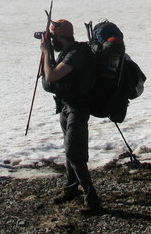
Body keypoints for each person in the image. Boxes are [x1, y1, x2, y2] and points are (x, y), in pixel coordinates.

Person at [40, 19, 102, 214]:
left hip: (77, 108)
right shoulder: (70, 52)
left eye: (53, 37)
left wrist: (46, 51)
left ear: (60, 36)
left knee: (74, 152)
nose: (52, 41)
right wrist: (48, 51)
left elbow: (51, 76)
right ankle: (71, 188)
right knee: (70, 151)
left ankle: (92, 198)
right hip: (67, 106)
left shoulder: (75, 54)